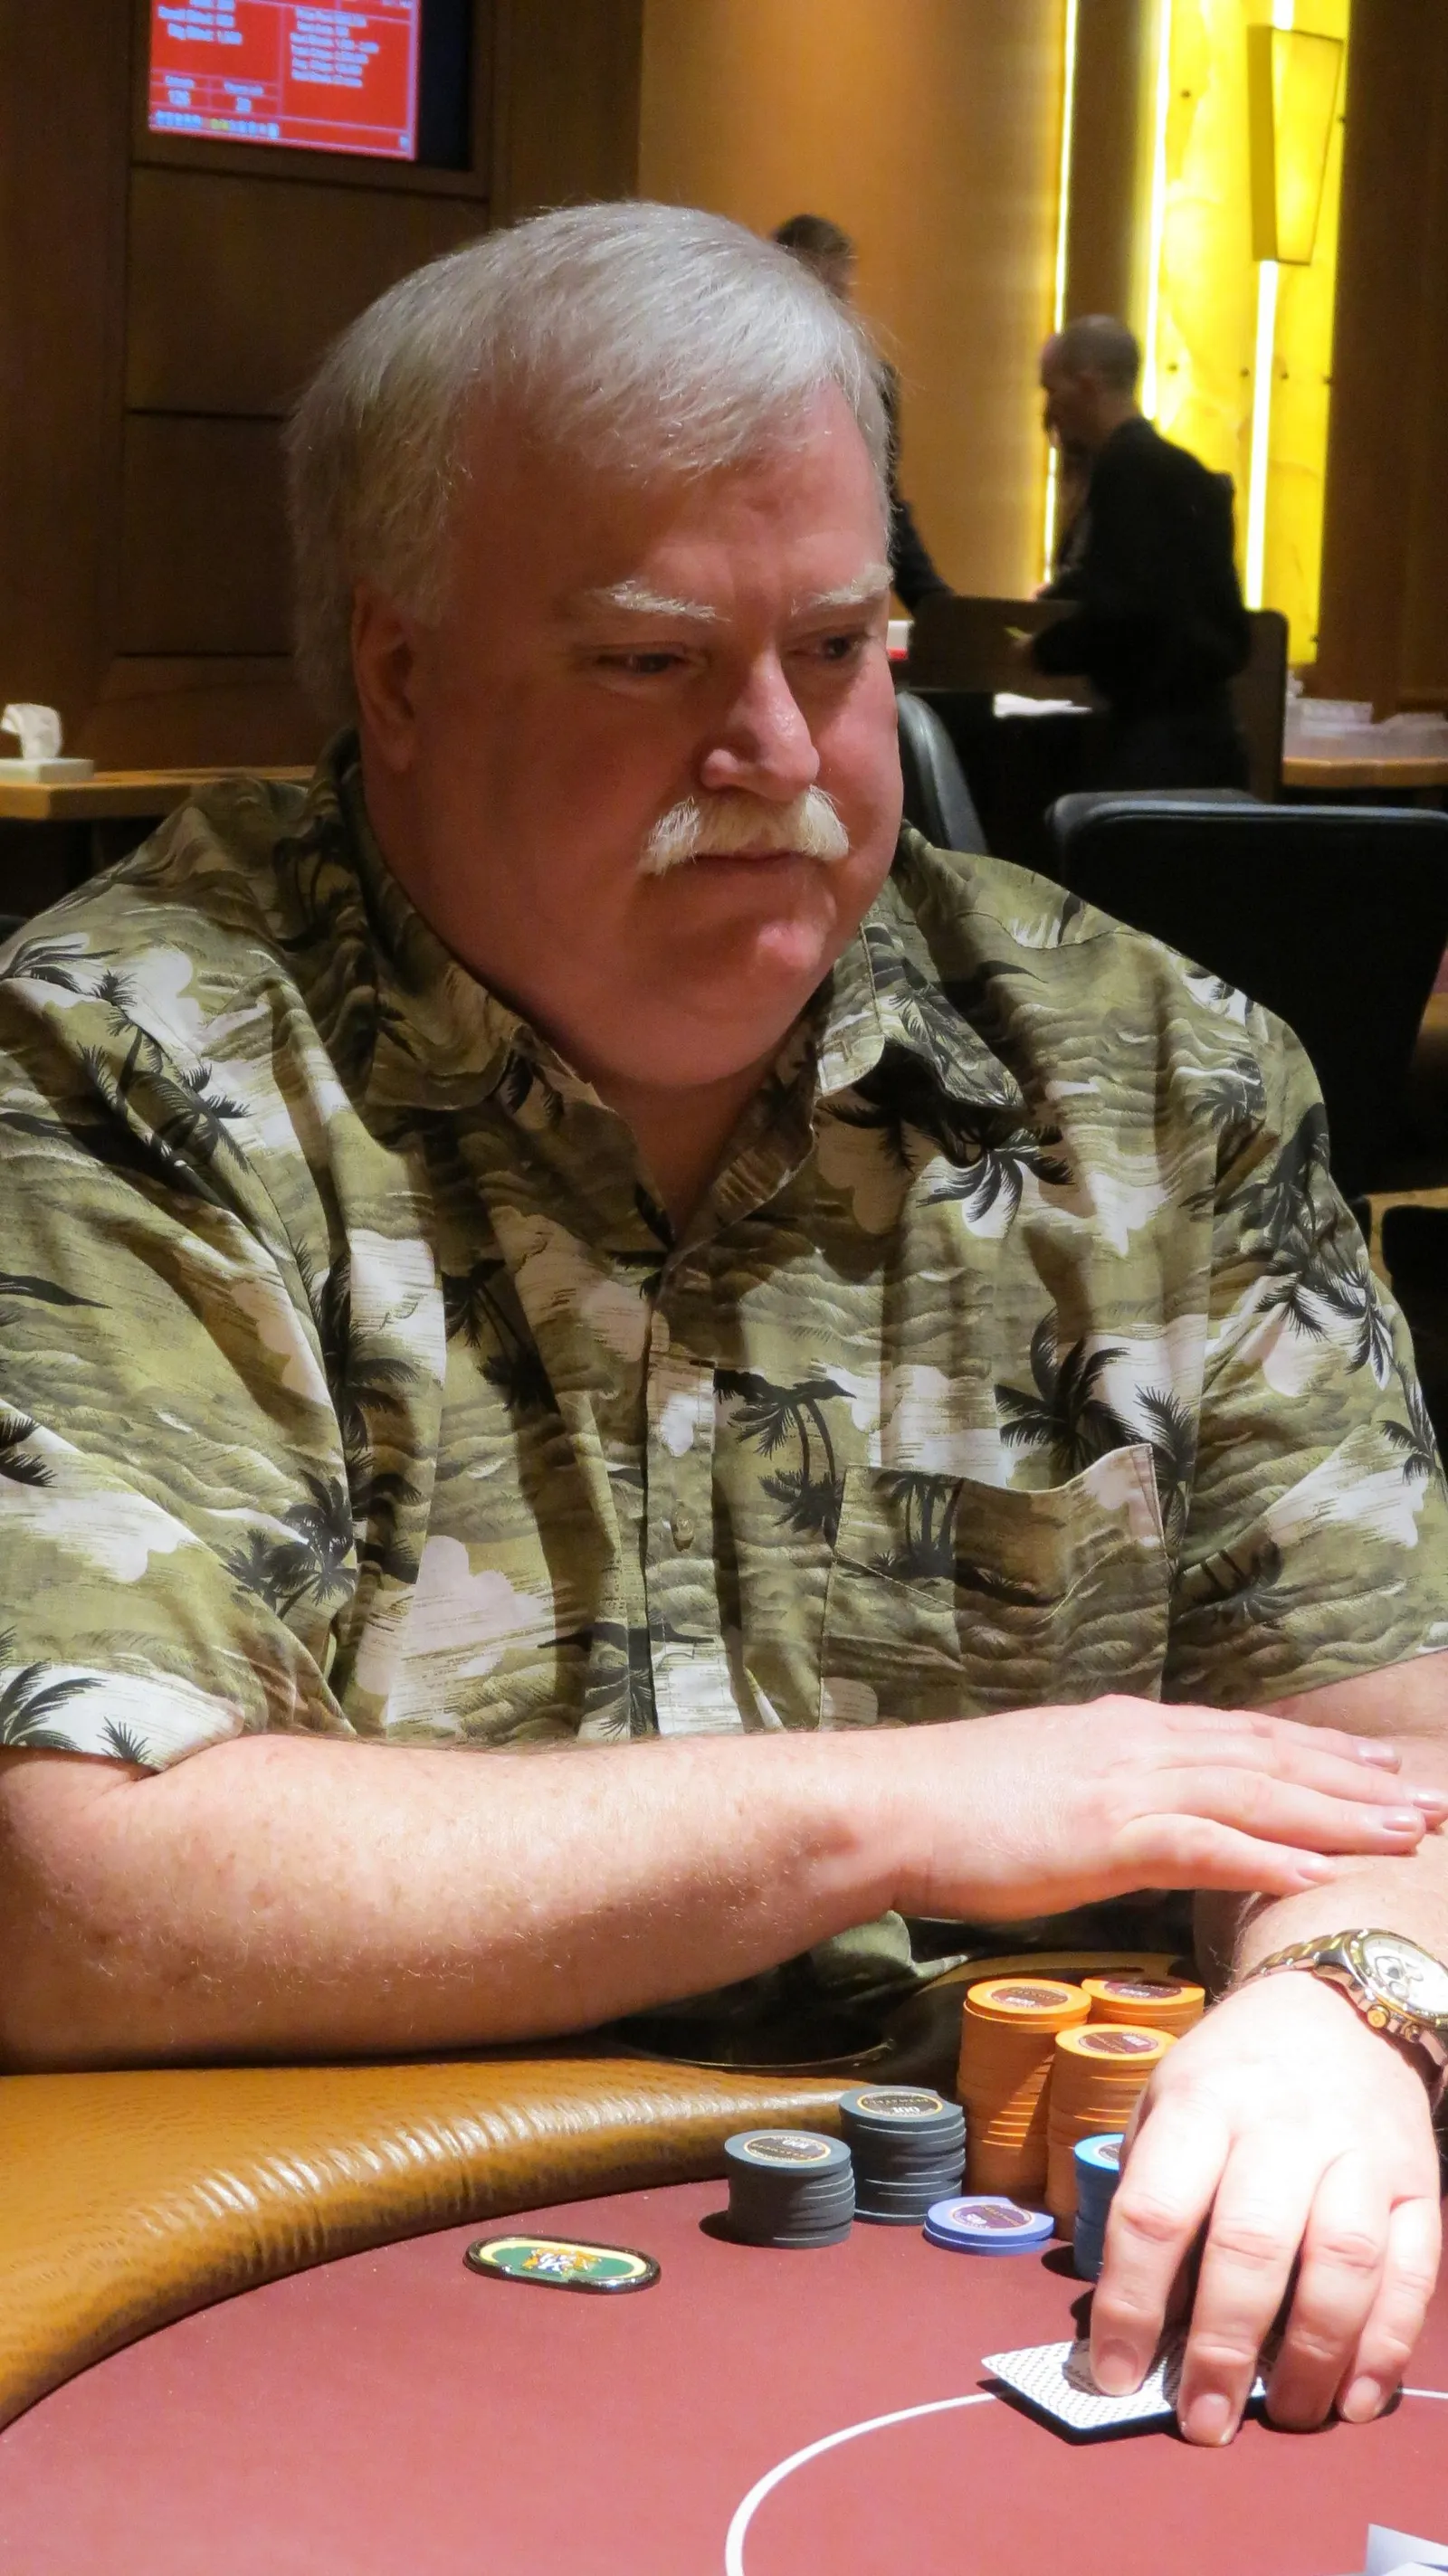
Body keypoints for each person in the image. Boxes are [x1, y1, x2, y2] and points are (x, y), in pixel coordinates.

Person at [0, 204, 1446, 2456]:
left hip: (1019, 2280)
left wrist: (1344, 2009)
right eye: (649, 661)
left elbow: (1388, 1766)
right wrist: (905, 1805)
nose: (777, 749)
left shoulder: (1155, 1073)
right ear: (398, 674)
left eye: (842, 646)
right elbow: (79, 1889)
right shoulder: (126, 1062)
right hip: (313, 2284)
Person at [1032, 314, 1253, 788]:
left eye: (1052, 390)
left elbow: (1123, 611)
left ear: (1087, 385)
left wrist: (1041, 649)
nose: (1050, 410)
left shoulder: (1123, 471)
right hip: (1216, 740)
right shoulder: (1190, 473)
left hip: (1156, 747)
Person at [772, 211, 950, 613]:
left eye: (837, 295)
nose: (829, 311)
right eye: (814, 293)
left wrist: (938, 607)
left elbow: (882, 505)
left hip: (837, 595)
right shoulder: (733, 382)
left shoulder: (872, 384)